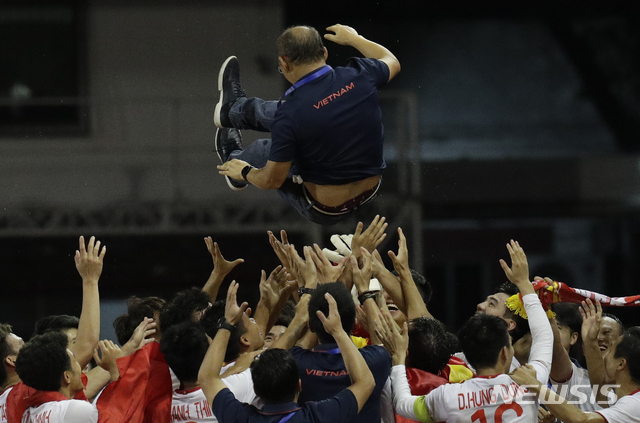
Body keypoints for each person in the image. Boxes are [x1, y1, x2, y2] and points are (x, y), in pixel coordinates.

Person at [213, 24, 401, 225]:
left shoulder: (290, 114)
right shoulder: (361, 75)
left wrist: (245, 172)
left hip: (325, 209)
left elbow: (271, 180)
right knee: (292, 116)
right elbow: (392, 62)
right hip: (370, 192)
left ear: (284, 64)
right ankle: (231, 110)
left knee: (264, 148)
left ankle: (232, 164)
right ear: (325, 53)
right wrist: (355, 39)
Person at [389, 240, 553, 422]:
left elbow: (402, 404)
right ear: (504, 353)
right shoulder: (528, 384)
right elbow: (544, 337)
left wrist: (398, 362)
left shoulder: (447, 396)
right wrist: (524, 284)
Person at [197, 281, 375, 423]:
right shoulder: (319, 416)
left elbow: (207, 378)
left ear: (256, 392)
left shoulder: (241, 418)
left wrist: (228, 323)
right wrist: (338, 331)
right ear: (299, 385)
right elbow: (366, 382)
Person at [511, 326, 640, 423]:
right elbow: (598, 388)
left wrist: (534, 384)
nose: (603, 358)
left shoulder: (634, 404)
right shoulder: (623, 400)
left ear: (620, 364)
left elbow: (581, 420)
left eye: (610, 350)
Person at [14, 332, 98, 423]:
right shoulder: (77, 411)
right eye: (75, 361)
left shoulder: (26, 414)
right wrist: (114, 369)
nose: (83, 367)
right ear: (67, 377)